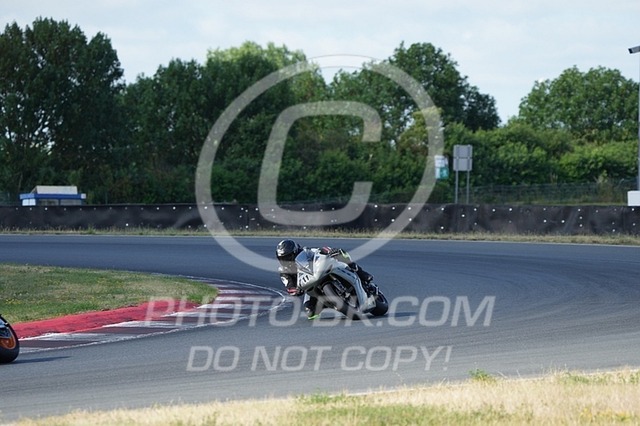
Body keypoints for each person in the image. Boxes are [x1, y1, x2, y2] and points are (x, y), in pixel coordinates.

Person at [275, 239, 374, 319]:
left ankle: (361, 273)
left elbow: (320, 250)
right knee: (310, 313)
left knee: (340, 253)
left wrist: (329, 251)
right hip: (310, 286)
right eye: (282, 258)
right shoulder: (283, 271)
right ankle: (326, 303)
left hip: (321, 271)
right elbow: (289, 285)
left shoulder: (306, 252)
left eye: (288, 257)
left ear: (295, 252)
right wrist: (295, 290)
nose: (285, 260)